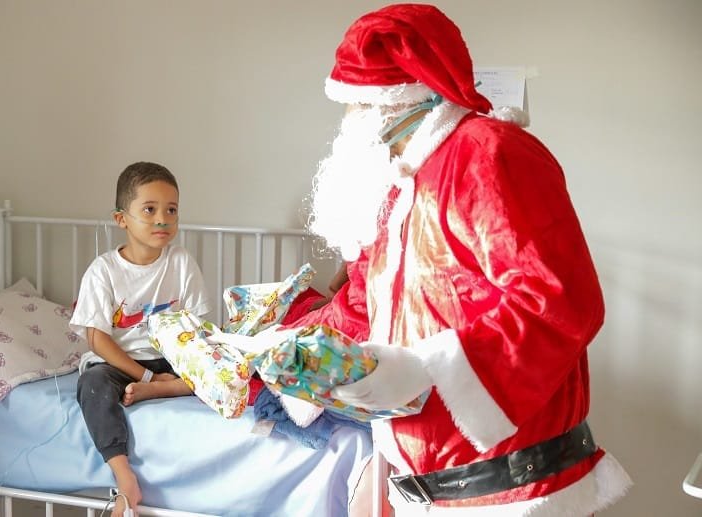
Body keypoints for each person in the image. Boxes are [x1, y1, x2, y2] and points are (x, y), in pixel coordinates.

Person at [290, 4, 631, 515]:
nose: (345, 124)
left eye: (354, 106)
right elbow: (361, 304)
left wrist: (424, 369)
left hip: (508, 491)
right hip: (427, 489)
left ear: (395, 103)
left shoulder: (490, 154)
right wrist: (276, 348)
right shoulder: (398, 185)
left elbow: (560, 303)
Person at [70, 161, 211, 517]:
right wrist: (145, 377)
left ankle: (169, 387)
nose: (162, 219)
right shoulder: (104, 271)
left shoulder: (180, 262)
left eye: (171, 210)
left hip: (171, 357)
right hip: (118, 362)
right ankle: (123, 475)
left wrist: (198, 363)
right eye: (149, 210)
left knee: (225, 368)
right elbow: (98, 340)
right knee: (91, 384)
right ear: (122, 219)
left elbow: (196, 329)